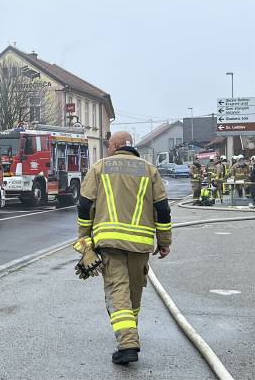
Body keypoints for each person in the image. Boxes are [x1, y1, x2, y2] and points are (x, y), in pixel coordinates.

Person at [75, 131, 172, 366]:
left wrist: (84, 239)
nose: (108, 149)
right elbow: (163, 209)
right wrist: (165, 241)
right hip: (140, 244)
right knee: (133, 294)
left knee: (118, 292)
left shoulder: (100, 168)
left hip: (110, 243)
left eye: (109, 146)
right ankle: (130, 335)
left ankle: (127, 344)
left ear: (117, 146)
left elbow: (85, 205)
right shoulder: (149, 170)